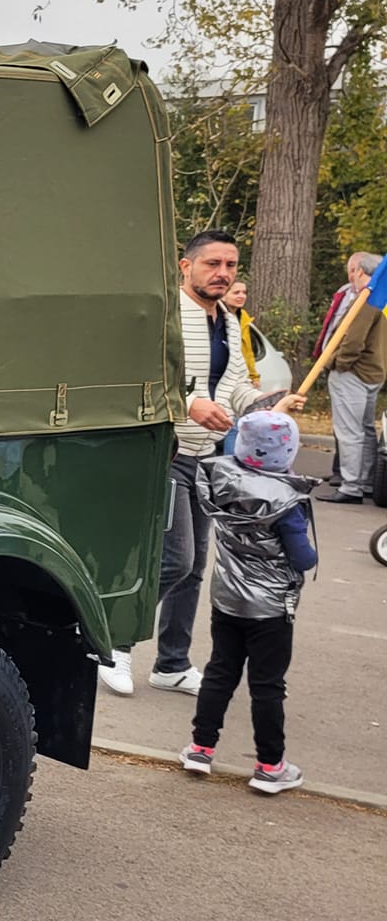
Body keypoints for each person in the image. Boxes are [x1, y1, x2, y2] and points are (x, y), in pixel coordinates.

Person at [99, 230, 296, 699]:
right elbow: (142, 377)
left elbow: (234, 388)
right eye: (212, 264)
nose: (222, 273)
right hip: (167, 454)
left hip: (207, 460)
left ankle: (171, 664)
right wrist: (190, 405)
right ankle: (112, 644)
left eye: (230, 265)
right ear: (185, 267)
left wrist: (269, 404)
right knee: (176, 559)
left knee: (194, 568)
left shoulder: (229, 320)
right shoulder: (166, 314)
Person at [181, 410, 316, 794]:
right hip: (271, 609)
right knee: (267, 685)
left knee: (219, 672)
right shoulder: (286, 501)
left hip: (227, 599)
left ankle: (200, 748)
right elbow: (303, 558)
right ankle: (270, 766)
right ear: (287, 452)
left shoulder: (221, 480)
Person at [317, 251, 384, 503]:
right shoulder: (382, 299)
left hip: (354, 372)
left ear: (360, 271)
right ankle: (365, 481)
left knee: (349, 431)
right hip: (373, 371)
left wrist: (338, 364)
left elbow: (354, 340)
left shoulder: (367, 299)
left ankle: (351, 486)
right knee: (365, 429)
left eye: (353, 271)